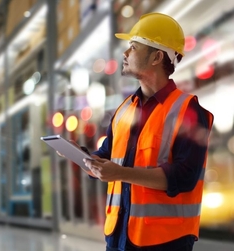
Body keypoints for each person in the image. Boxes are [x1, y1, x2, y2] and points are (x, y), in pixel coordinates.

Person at [81, 13, 214, 251]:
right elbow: (106, 155)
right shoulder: (123, 110)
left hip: (164, 242)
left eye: (133, 47)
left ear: (156, 57)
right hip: (118, 237)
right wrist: (85, 159)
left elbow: (184, 177)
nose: (125, 54)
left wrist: (119, 172)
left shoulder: (189, 111)